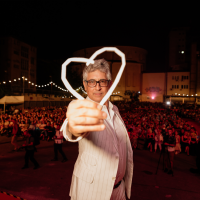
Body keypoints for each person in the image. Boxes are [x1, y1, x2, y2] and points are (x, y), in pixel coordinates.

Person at [61, 59, 133, 200]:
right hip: (91, 192)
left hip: (119, 190)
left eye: (102, 81)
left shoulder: (115, 109)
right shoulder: (81, 107)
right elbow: (71, 126)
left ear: (110, 84)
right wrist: (73, 128)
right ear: (85, 85)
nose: (97, 87)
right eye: (92, 82)